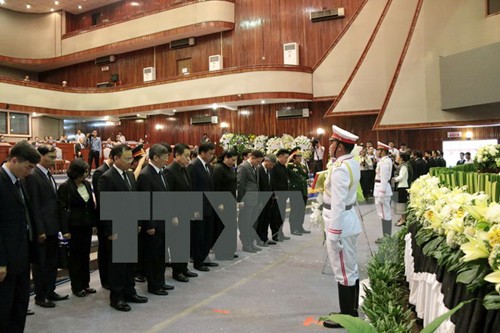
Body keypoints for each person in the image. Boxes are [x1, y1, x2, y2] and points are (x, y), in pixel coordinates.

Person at [98, 144, 148, 312]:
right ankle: (117, 297)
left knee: (129, 263)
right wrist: (110, 230)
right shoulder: (107, 177)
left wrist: (139, 222)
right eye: (127, 159)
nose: (130, 162)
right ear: (116, 158)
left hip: (131, 225)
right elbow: (106, 206)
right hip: (117, 227)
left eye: (131, 159)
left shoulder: (129, 176)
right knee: (118, 265)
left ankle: (130, 291)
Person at [322, 125, 361, 329]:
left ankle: (347, 316)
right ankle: (351, 310)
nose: (329, 146)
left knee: (344, 271)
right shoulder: (350, 164)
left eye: (332, 143)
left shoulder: (340, 169)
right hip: (347, 219)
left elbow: (337, 203)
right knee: (350, 268)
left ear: (339, 146)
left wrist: (334, 234)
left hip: (340, 222)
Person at [0, 141, 40, 332]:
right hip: (6, 260)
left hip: (22, 255)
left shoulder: (19, 182)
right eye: (28, 167)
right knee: (4, 306)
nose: (30, 172)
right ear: (14, 160)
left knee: (20, 303)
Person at [25, 145, 69, 309]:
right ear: (40, 156)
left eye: (54, 157)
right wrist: (40, 230)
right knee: (41, 264)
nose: (53, 160)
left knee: (51, 262)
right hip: (42, 229)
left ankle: (50, 290)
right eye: (50, 157)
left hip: (52, 227)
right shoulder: (34, 175)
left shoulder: (48, 175)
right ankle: (40, 295)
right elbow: (35, 205)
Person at [136, 144, 174, 296]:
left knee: (161, 254)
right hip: (153, 223)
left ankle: (160, 281)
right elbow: (144, 202)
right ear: (155, 157)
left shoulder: (160, 172)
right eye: (164, 157)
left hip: (163, 220)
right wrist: (149, 224)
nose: (167, 160)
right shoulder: (146, 175)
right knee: (153, 255)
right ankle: (154, 285)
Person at [58, 159, 97, 297]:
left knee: (85, 256)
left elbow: (90, 205)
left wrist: (93, 224)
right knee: (75, 258)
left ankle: (85, 284)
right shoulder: (65, 187)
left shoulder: (86, 184)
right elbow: (62, 210)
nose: (86, 174)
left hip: (86, 226)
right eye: (83, 172)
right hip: (73, 228)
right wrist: (65, 230)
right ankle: (77, 286)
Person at [164, 144, 199, 282]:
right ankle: (177, 271)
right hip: (176, 215)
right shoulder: (170, 171)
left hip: (186, 212)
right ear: (176, 155)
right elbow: (168, 196)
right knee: (177, 243)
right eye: (185, 156)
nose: (188, 159)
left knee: (184, 241)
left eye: (189, 156)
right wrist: (172, 215)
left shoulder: (185, 169)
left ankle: (184, 267)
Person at [188, 142, 218, 271]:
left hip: (208, 207)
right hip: (198, 208)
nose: (212, 156)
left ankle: (205, 258)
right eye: (210, 153)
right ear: (203, 152)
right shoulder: (193, 166)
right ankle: (198, 261)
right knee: (198, 236)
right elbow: (192, 189)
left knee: (207, 235)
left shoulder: (209, 167)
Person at [92, 152, 114, 290]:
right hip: (104, 218)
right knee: (105, 251)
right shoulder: (100, 172)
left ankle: (111, 278)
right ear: (113, 158)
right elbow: (102, 200)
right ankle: (105, 279)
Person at [211, 150, 238, 260]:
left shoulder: (229, 168)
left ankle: (229, 250)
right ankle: (221, 252)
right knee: (222, 228)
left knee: (230, 227)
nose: (234, 162)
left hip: (230, 201)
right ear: (226, 157)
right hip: (222, 204)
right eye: (232, 160)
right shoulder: (218, 168)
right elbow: (215, 187)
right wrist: (219, 203)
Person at [237, 149, 264, 253]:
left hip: (255, 200)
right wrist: (240, 200)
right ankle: (246, 244)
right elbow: (240, 184)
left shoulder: (255, 167)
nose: (259, 164)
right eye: (258, 161)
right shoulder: (243, 167)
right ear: (252, 158)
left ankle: (251, 243)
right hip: (247, 200)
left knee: (253, 223)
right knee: (246, 223)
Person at [287, 148, 310, 235]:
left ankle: (300, 226)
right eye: (298, 157)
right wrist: (289, 158)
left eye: (300, 156)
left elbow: (306, 176)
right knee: (295, 210)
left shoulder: (303, 166)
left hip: (303, 190)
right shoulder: (290, 166)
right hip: (295, 191)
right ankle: (293, 228)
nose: (300, 158)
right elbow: (286, 167)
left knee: (301, 210)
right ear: (294, 158)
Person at [256, 154, 277, 246]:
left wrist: (273, 195)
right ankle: (259, 238)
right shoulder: (258, 169)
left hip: (269, 199)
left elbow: (271, 184)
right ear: (266, 161)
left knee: (266, 219)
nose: (272, 167)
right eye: (271, 164)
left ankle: (265, 238)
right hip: (260, 199)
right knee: (260, 220)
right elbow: (258, 186)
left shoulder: (270, 170)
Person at [374, 141, 393, 241]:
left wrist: (381, 194)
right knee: (384, 214)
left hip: (382, 189)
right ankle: (386, 236)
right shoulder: (384, 161)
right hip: (381, 188)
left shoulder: (384, 162)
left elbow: (384, 179)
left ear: (382, 151)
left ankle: (387, 237)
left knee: (385, 214)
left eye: (378, 150)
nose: (376, 151)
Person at [271, 149, 290, 242]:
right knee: (276, 217)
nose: (286, 159)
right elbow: (273, 182)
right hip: (277, 196)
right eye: (285, 157)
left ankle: (280, 233)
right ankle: (275, 235)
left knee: (281, 215)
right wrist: (274, 194)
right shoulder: (275, 167)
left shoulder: (284, 167)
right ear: (279, 157)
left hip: (283, 195)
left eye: (287, 158)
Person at [393, 153, 412, 226]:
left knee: (402, 204)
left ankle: (403, 219)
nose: (396, 158)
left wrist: (394, 179)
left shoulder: (404, 166)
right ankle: (402, 218)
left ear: (401, 158)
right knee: (400, 203)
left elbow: (401, 177)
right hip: (400, 186)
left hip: (403, 187)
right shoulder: (402, 166)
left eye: (398, 156)